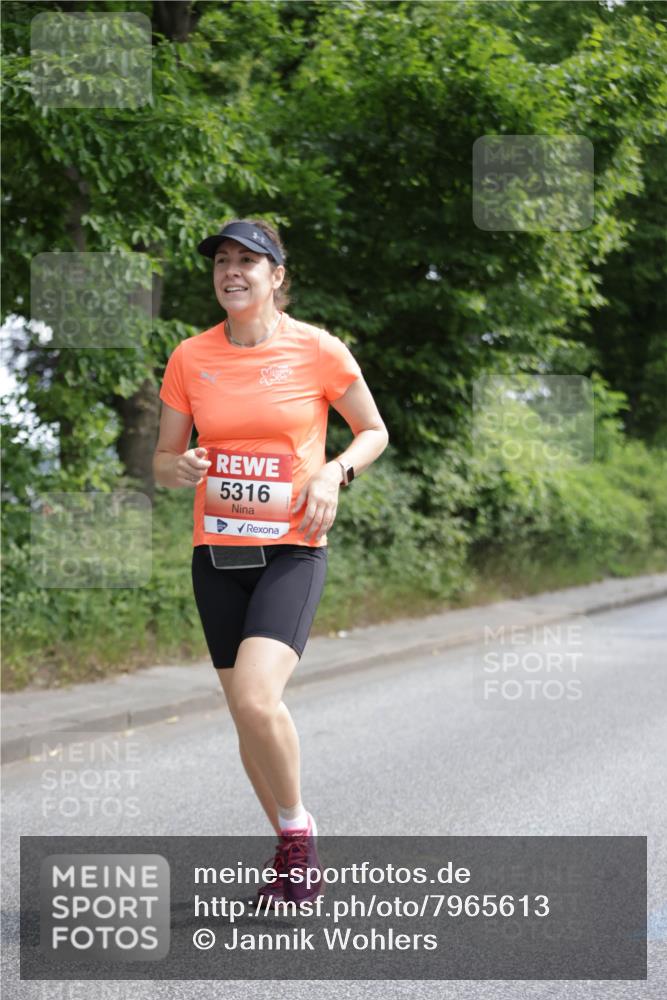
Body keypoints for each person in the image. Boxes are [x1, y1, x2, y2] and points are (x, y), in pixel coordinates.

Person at [153, 218, 388, 905]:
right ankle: (292, 857)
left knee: (257, 698)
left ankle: (297, 831)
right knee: (246, 716)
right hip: (218, 552)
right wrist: (180, 466)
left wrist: (334, 473)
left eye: (247, 261)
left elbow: (372, 430)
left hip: (292, 548)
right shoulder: (189, 357)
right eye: (220, 261)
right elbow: (163, 461)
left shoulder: (316, 349)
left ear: (276, 276)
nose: (231, 271)